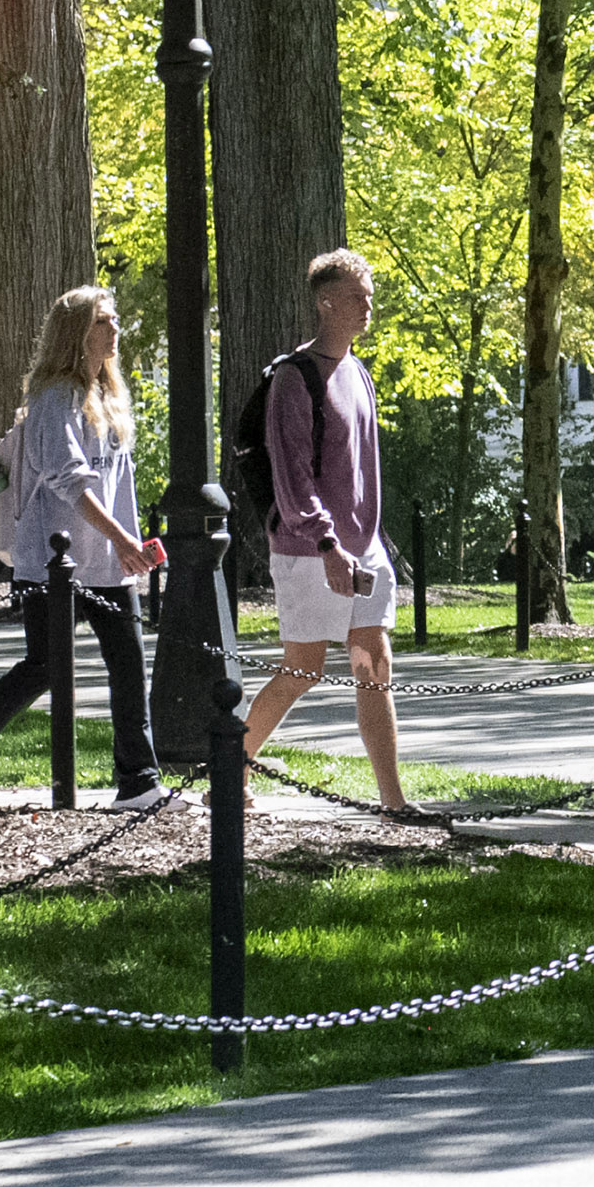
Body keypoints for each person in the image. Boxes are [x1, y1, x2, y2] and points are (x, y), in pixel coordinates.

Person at [0, 290, 167, 809]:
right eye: (104, 322)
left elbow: (116, 485)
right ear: (77, 332)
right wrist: (122, 539)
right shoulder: (53, 398)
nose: (115, 331)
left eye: (115, 320)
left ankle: (138, 784)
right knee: (43, 667)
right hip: (53, 563)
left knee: (129, 666)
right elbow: (69, 479)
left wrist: (129, 547)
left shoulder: (108, 393)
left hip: (108, 564)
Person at [237, 251, 411, 811]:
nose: (369, 304)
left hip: (364, 551)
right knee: (302, 669)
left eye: (370, 293)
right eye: (358, 294)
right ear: (326, 301)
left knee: (373, 662)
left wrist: (372, 542)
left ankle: (393, 800)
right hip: (311, 551)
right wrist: (326, 544)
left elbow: (363, 469)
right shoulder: (294, 378)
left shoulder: (359, 373)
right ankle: (233, 764)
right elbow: (291, 476)